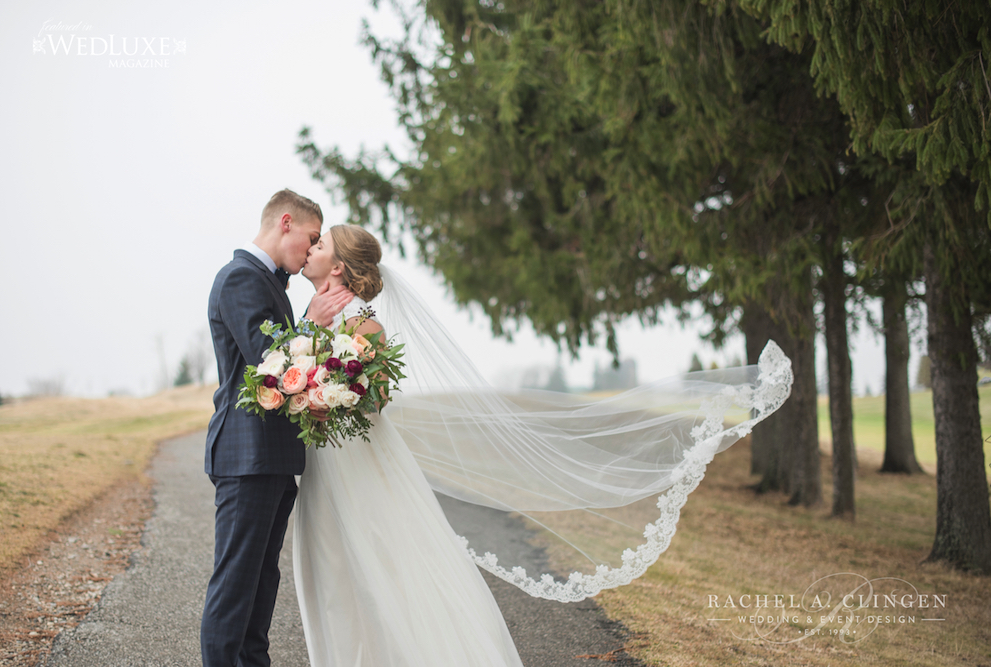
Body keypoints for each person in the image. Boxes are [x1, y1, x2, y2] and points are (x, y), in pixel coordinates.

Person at [292, 225, 793, 666]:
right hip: (330, 457)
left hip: (356, 457)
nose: (311, 248)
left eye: (321, 244)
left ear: (339, 266)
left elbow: (374, 400)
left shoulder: (363, 324)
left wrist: (324, 399)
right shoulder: (320, 315)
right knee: (337, 565)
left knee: (381, 564)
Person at [202, 190, 353, 667]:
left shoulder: (269, 283)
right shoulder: (241, 279)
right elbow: (268, 365)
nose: (311, 252)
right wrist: (310, 322)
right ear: (284, 222)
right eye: (310, 239)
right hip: (246, 457)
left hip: (269, 458)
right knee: (234, 592)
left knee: (260, 590)